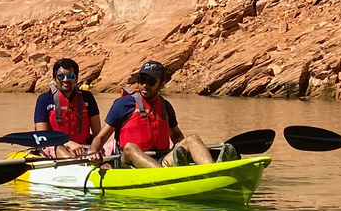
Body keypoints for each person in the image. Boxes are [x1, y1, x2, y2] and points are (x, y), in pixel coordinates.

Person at [88, 61, 238, 168]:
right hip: (128, 161)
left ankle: (212, 171)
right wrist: (93, 152)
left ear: (162, 84)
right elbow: (100, 137)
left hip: (160, 159)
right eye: (142, 80)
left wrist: (181, 148)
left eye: (151, 81)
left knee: (192, 139)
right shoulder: (123, 104)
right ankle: (165, 177)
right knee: (130, 147)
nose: (145, 85)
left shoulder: (165, 106)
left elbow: (177, 135)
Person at [33, 58, 101, 158]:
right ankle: (73, 165)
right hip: (55, 146)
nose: (65, 80)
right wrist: (67, 143)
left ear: (76, 79)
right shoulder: (44, 99)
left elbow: (97, 133)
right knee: (60, 148)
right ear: (55, 79)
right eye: (60, 76)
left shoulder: (87, 98)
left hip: (83, 147)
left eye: (70, 76)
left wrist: (94, 150)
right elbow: (42, 135)